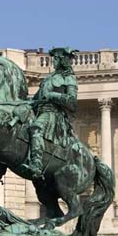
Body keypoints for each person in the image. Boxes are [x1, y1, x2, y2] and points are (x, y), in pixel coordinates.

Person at [22, 47, 79, 179]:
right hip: (40, 111)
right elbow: (37, 97)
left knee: (36, 128)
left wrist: (52, 95)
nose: (54, 61)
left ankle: (36, 164)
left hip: (53, 114)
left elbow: (72, 102)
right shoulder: (48, 78)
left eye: (57, 59)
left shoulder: (69, 78)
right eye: (54, 58)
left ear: (63, 60)